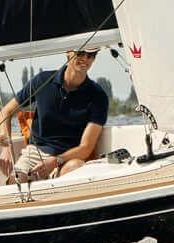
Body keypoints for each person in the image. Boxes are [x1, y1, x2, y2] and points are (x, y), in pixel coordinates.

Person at [12, 45, 115, 180]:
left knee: (76, 167)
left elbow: (86, 148)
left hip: (67, 158)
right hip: (35, 153)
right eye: (80, 53)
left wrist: (56, 160)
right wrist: (6, 148)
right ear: (68, 52)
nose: (85, 58)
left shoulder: (98, 96)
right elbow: (5, 113)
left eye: (91, 55)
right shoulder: (43, 80)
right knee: (17, 179)